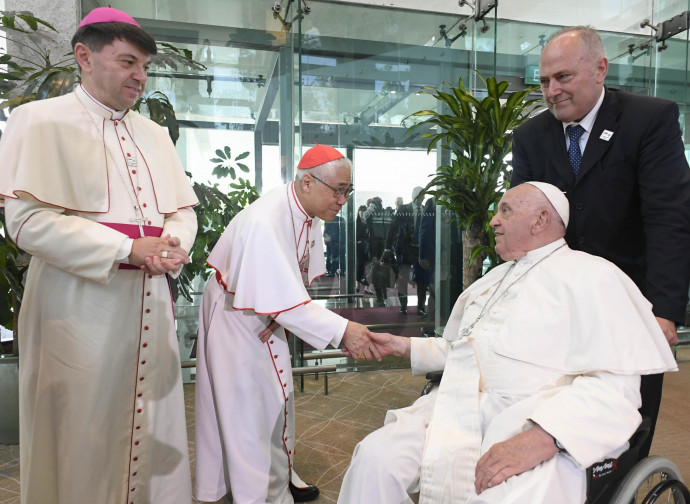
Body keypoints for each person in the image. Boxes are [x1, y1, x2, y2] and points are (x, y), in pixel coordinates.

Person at [338, 182, 677, 504]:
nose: (493, 220)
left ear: (541, 219)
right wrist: (401, 346)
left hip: (537, 421)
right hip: (455, 406)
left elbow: (615, 388)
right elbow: (466, 350)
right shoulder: (494, 279)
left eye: (506, 210)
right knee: (375, 459)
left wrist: (545, 437)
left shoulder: (595, 276)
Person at [0, 7, 198, 504]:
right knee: (82, 429)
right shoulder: (38, 120)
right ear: (84, 57)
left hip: (149, 301)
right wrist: (127, 248)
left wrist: (175, 244)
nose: (140, 76)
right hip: (79, 307)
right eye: (129, 62)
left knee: (153, 424)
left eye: (146, 67)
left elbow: (182, 211)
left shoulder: (153, 134)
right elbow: (27, 223)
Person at [510, 25, 690, 457]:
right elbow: (522, 225)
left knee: (626, 423)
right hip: (556, 305)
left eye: (563, 77)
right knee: (554, 413)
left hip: (632, 305)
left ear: (600, 69)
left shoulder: (650, 119)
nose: (551, 91)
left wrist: (664, 311)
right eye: (544, 81)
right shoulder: (531, 137)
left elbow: (669, 218)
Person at [195, 144, 381, 504]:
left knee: (278, 402)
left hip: (265, 310)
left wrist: (278, 313)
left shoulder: (306, 210)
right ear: (307, 182)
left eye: (348, 190)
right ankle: (257, 496)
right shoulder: (266, 221)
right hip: (237, 314)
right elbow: (270, 285)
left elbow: (291, 277)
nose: (343, 200)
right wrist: (344, 330)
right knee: (248, 414)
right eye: (338, 190)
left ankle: (280, 479)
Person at [384, 187, 424, 315]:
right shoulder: (403, 209)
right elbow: (393, 228)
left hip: (420, 251)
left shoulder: (425, 210)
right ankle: (403, 306)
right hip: (404, 250)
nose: (420, 198)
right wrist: (387, 247)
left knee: (422, 280)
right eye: (418, 196)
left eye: (422, 196)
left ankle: (421, 308)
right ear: (413, 196)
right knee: (403, 278)